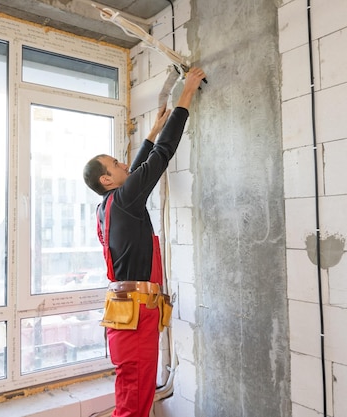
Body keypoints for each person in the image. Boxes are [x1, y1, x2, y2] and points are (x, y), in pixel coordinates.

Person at [82, 67, 206, 417]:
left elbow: (137, 170)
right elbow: (161, 156)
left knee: (132, 397)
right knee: (134, 403)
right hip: (134, 318)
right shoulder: (122, 200)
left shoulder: (107, 206)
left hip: (128, 316)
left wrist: (151, 129)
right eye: (116, 164)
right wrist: (187, 95)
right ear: (107, 179)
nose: (124, 164)